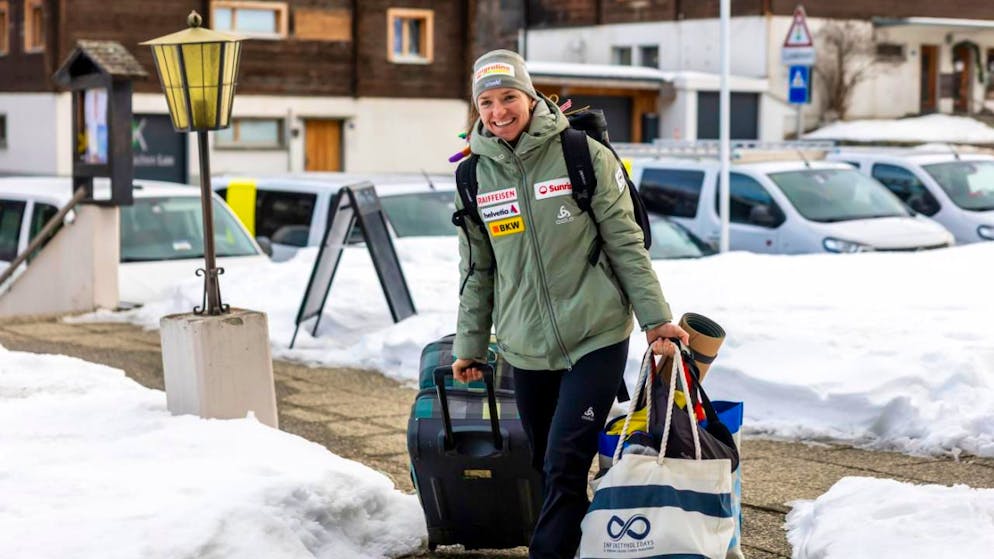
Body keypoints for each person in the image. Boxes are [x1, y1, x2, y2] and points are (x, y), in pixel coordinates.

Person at [451, 49, 688, 559]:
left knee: (565, 459)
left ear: (530, 96)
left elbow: (627, 244)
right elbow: (478, 270)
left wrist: (656, 321)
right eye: (486, 102)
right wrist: (470, 345)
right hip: (524, 345)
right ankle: (591, 546)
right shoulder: (472, 177)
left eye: (509, 96)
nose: (498, 112)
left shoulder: (582, 155)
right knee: (542, 464)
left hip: (596, 333)